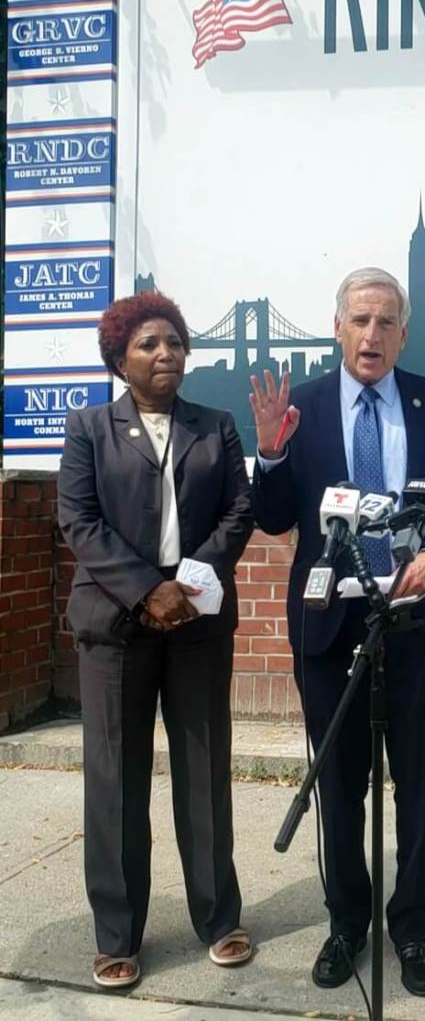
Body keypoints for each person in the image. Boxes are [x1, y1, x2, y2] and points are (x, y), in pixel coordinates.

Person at [249, 267, 425, 998]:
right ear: (337, 327)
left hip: (417, 621)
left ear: (403, 334)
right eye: (359, 320)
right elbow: (271, 517)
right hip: (329, 624)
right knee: (340, 785)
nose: (372, 335)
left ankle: (410, 927)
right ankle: (346, 921)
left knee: (415, 782)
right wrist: (269, 454)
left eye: (386, 322)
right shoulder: (307, 408)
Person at [57, 291, 255, 990]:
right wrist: (148, 589)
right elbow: (78, 521)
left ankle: (218, 918)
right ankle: (117, 934)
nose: (165, 352)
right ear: (120, 358)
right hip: (116, 626)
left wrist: (189, 582)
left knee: (203, 774)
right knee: (115, 781)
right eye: (148, 343)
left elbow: (239, 507)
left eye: (173, 341)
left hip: (197, 620)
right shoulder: (89, 428)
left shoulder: (216, 425)